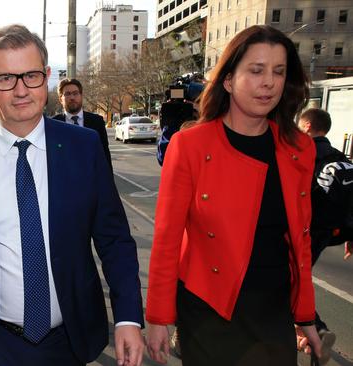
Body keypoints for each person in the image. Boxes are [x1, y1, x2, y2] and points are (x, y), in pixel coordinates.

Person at [0, 24, 145, 366]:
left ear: (47, 76)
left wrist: (127, 317)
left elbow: (115, 239)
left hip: (69, 339)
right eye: (5, 78)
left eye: (31, 76)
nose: (21, 90)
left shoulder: (84, 147)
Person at [145, 25, 322, 366]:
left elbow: (300, 242)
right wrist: (158, 317)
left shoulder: (299, 148)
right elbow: (167, 239)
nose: (268, 82)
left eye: (278, 72)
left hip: (273, 309)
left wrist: (306, 316)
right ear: (228, 80)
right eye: (256, 71)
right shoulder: (190, 146)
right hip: (208, 309)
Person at [297, 108, 344, 364]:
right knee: (296, 281)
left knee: (289, 283)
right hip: (329, 232)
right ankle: (309, 334)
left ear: (306, 126)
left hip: (306, 231)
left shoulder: (305, 154)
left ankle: (317, 331)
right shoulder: (338, 157)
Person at [51, 78, 112, 170]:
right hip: (64, 181)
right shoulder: (53, 124)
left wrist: (109, 183)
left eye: (75, 93)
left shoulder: (97, 122)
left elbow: (105, 155)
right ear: (60, 99)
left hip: (91, 181)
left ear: (81, 95)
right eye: (67, 94)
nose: (72, 97)